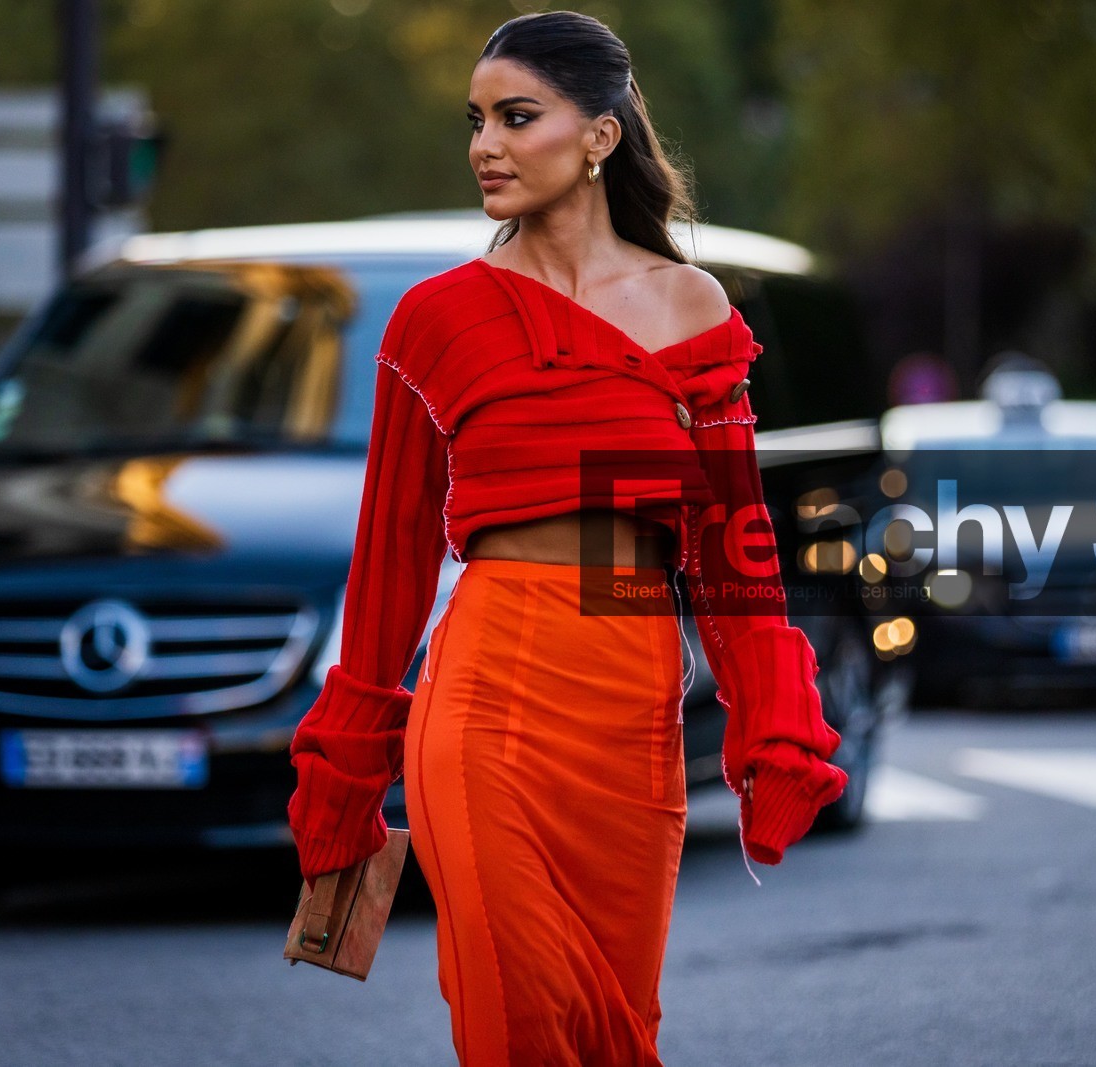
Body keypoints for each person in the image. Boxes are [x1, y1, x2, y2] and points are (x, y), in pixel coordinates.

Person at [286, 11, 849, 1065]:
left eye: (516, 116)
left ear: (598, 137)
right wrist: (348, 777)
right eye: (476, 120)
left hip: (629, 691)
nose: (484, 146)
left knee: (615, 1026)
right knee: (517, 1014)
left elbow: (730, 543)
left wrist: (770, 718)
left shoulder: (692, 307)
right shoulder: (436, 317)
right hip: (486, 689)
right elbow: (392, 558)